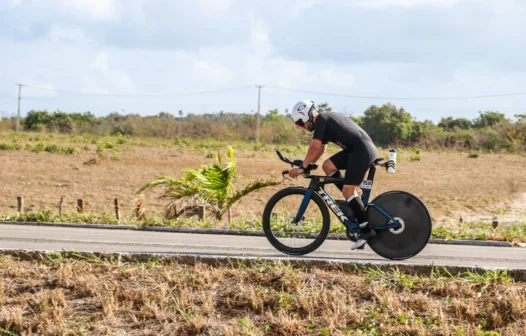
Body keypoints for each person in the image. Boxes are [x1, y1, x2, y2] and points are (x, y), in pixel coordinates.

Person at [288, 100, 379, 250]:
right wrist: (310, 164)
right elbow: (321, 150)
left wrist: (303, 167)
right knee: (328, 166)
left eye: (300, 122)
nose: (302, 127)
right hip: (357, 150)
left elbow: (315, 146)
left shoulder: (322, 120)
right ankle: (353, 203)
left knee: (348, 190)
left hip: (362, 151)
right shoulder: (323, 121)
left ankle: (366, 230)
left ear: (308, 115)